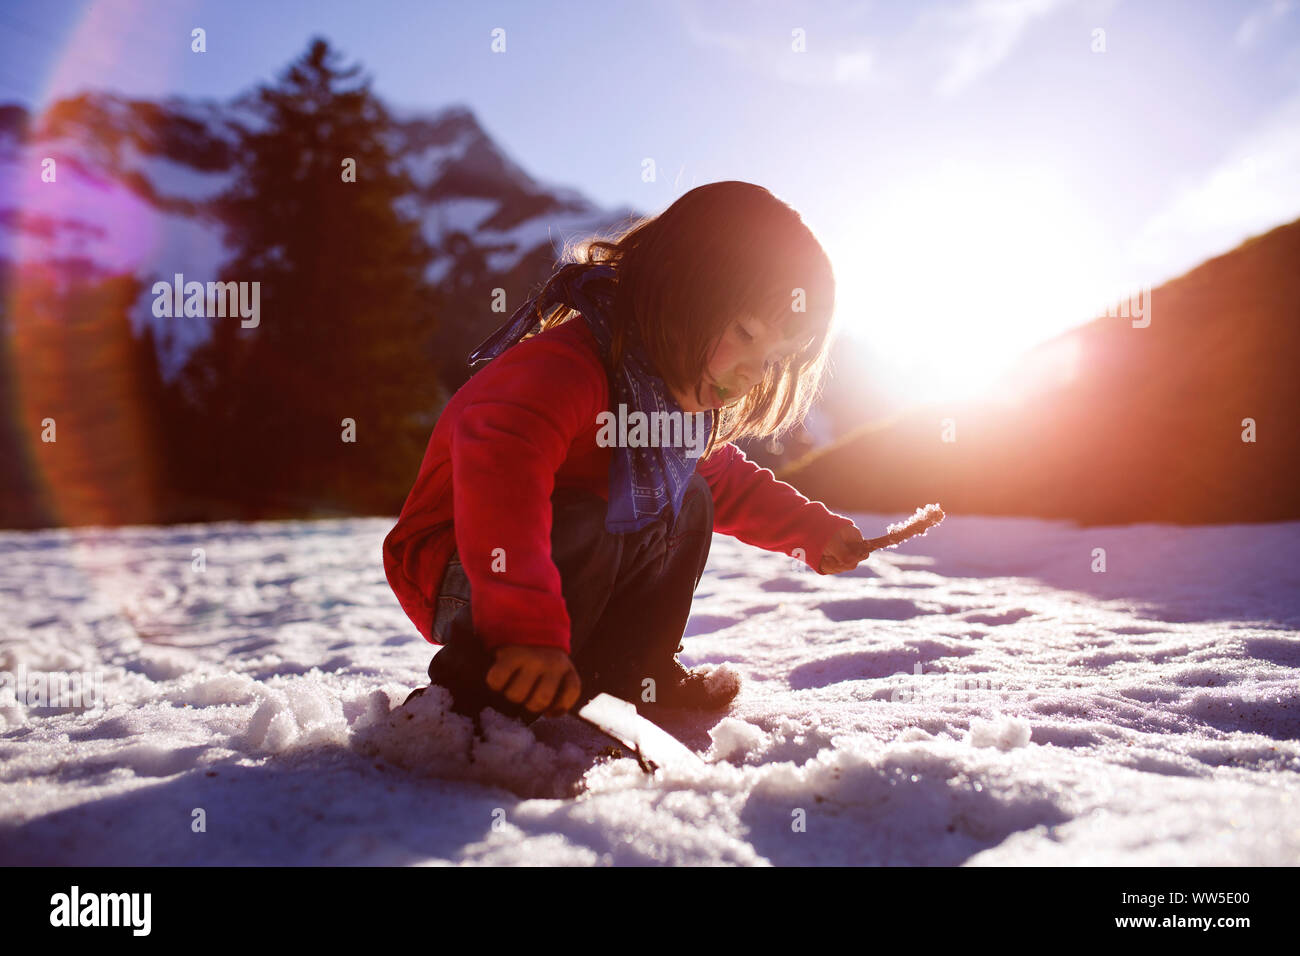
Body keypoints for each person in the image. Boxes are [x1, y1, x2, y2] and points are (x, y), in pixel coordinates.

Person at [383, 181, 872, 730]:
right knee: (585, 519)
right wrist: (525, 627)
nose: (754, 371)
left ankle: (631, 670)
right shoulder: (564, 370)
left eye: (774, 357)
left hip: (565, 574)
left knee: (690, 497)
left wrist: (811, 530)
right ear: (682, 289)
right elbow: (502, 488)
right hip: (467, 568)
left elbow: (725, 479)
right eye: (745, 332)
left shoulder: (665, 399)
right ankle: (468, 697)